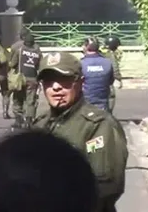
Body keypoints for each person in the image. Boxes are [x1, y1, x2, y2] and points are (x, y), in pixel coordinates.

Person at [32, 52, 128, 211]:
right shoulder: (40, 124)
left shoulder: (99, 125)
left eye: (64, 80)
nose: (56, 87)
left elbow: (106, 186)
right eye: (49, 81)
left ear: (80, 82)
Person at [0, 131, 98, 212]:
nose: (56, 87)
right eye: (49, 83)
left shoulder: (97, 125)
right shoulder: (43, 120)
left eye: (66, 83)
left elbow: (106, 177)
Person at [7, 31, 41, 129]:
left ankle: (18, 119)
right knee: (31, 100)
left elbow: (12, 64)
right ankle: (29, 121)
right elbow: (40, 65)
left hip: (20, 79)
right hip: (33, 78)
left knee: (18, 98)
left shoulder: (20, 50)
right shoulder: (37, 52)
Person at [80, 37, 115, 112]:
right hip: (103, 104)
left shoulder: (81, 64)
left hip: (85, 104)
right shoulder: (107, 62)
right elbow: (111, 81)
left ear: (85, 47)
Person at [102, 36, 123, 113]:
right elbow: (114, 66)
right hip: (108, 80)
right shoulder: (110, 54)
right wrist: (118, 78)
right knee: (111, 97)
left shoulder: (100, 51)